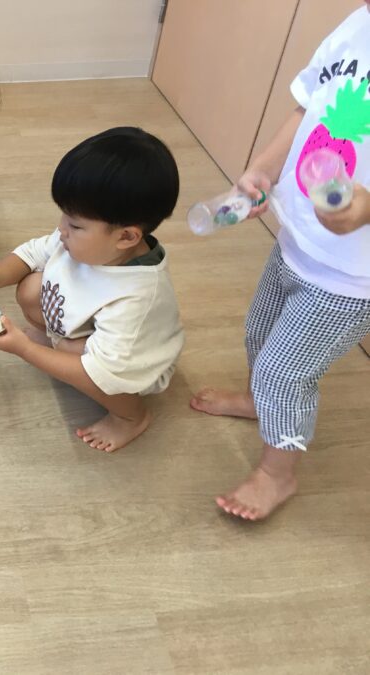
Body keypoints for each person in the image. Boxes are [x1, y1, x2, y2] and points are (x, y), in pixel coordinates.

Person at [191, 2, 370, 520]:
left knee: (284, 370)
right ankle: (259, 401)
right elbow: (308, 104)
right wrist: (263, 170)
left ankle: (277, 473)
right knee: (259, 332)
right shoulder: (358, 23)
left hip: (351, 277)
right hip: (298, 237)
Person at [0, 127, 184, 452]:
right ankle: (58, 345)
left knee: (101, 375)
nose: (62, 229)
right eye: (64, 216)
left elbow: (105, 371)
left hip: (126, 364)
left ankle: (131, 418)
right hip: (84, 333)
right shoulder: (87, 241)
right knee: (30, 287)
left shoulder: (136, 296)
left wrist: (25, 349)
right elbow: (34, 252)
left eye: (75, 225)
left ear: (126, 237)